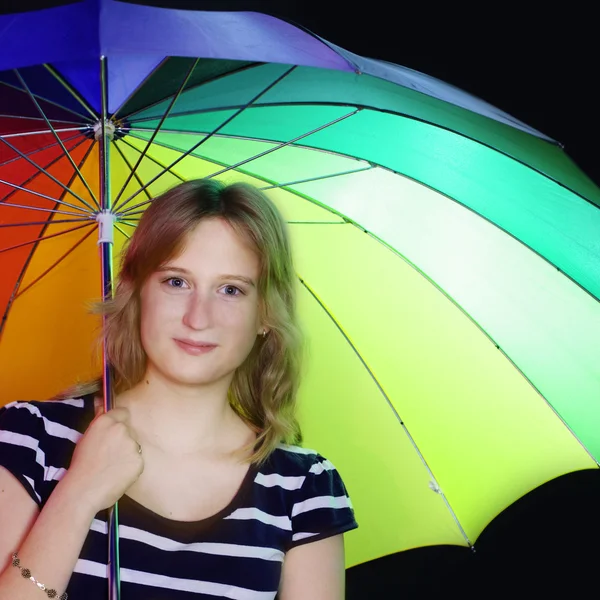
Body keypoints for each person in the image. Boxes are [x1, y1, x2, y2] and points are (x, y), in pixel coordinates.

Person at [0, 179, 357, 599]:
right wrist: (78, 495)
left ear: (265, 314)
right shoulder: (30, 437)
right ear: (136, 293)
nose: (197, 317)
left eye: (231, 289)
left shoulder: (303, 486)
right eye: (176, 282)